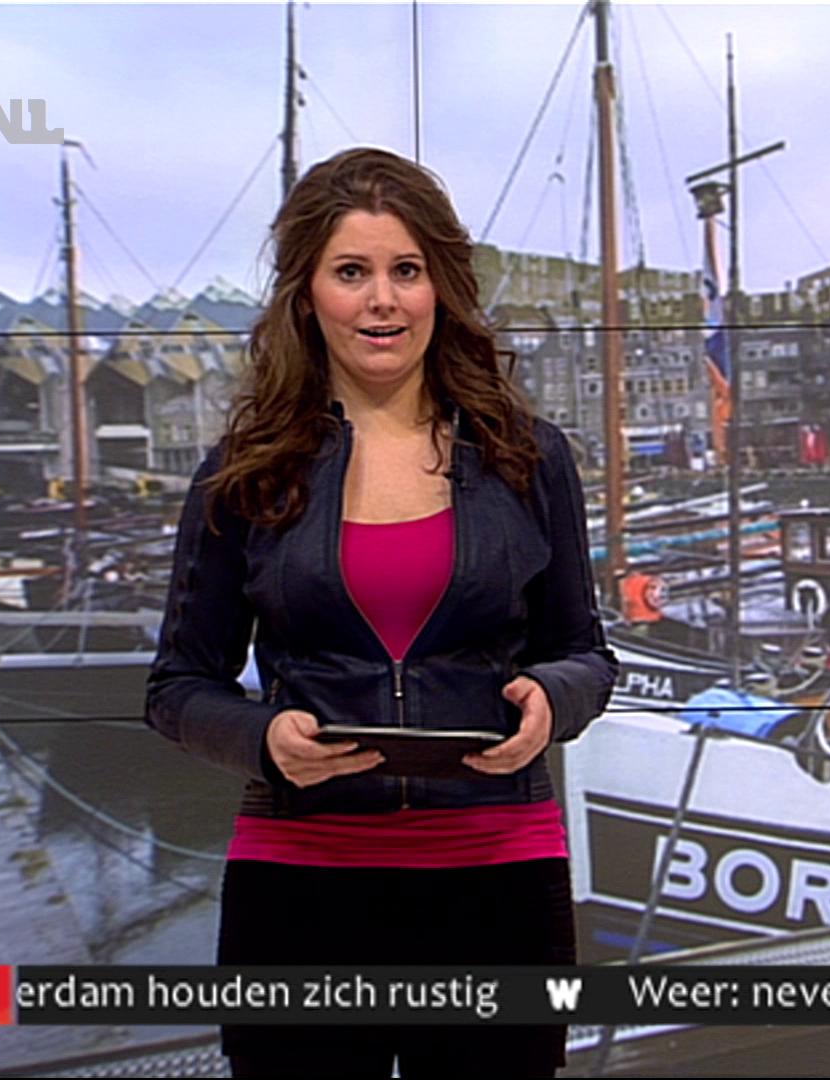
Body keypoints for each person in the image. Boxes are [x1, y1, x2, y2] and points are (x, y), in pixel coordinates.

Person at [146, 146, 617, 1078]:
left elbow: (586, 654)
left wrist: (551, 702)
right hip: (300, 889)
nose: (382, 301)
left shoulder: (528, 458)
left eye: (407, 270)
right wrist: (261, 738)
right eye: (351, 272)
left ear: (442, 286)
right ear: (306, 294)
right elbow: (177, 688)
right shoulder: (244, 473)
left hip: (498, 881)